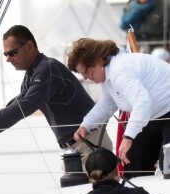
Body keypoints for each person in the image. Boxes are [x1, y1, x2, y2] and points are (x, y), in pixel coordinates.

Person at [0, 25, 112, 168]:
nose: (8, 59)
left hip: (89, 143)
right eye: (6, 54)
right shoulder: (32, 75)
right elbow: (14, 110)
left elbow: (26, 106)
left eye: (12, 53)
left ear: (30, 47)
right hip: (79, 147)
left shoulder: (47, 69)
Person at [67, 38, 170, 177]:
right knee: (132, 164)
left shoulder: (119, 70)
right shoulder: (108, 76)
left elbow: (142, 102)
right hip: (153, 116)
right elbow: (108, 103)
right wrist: (86, 125)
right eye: (81, 74)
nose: (85, 78)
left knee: (167, 166)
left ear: (98, 62)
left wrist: (128, 137)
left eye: (86, 72)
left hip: (163, 111)